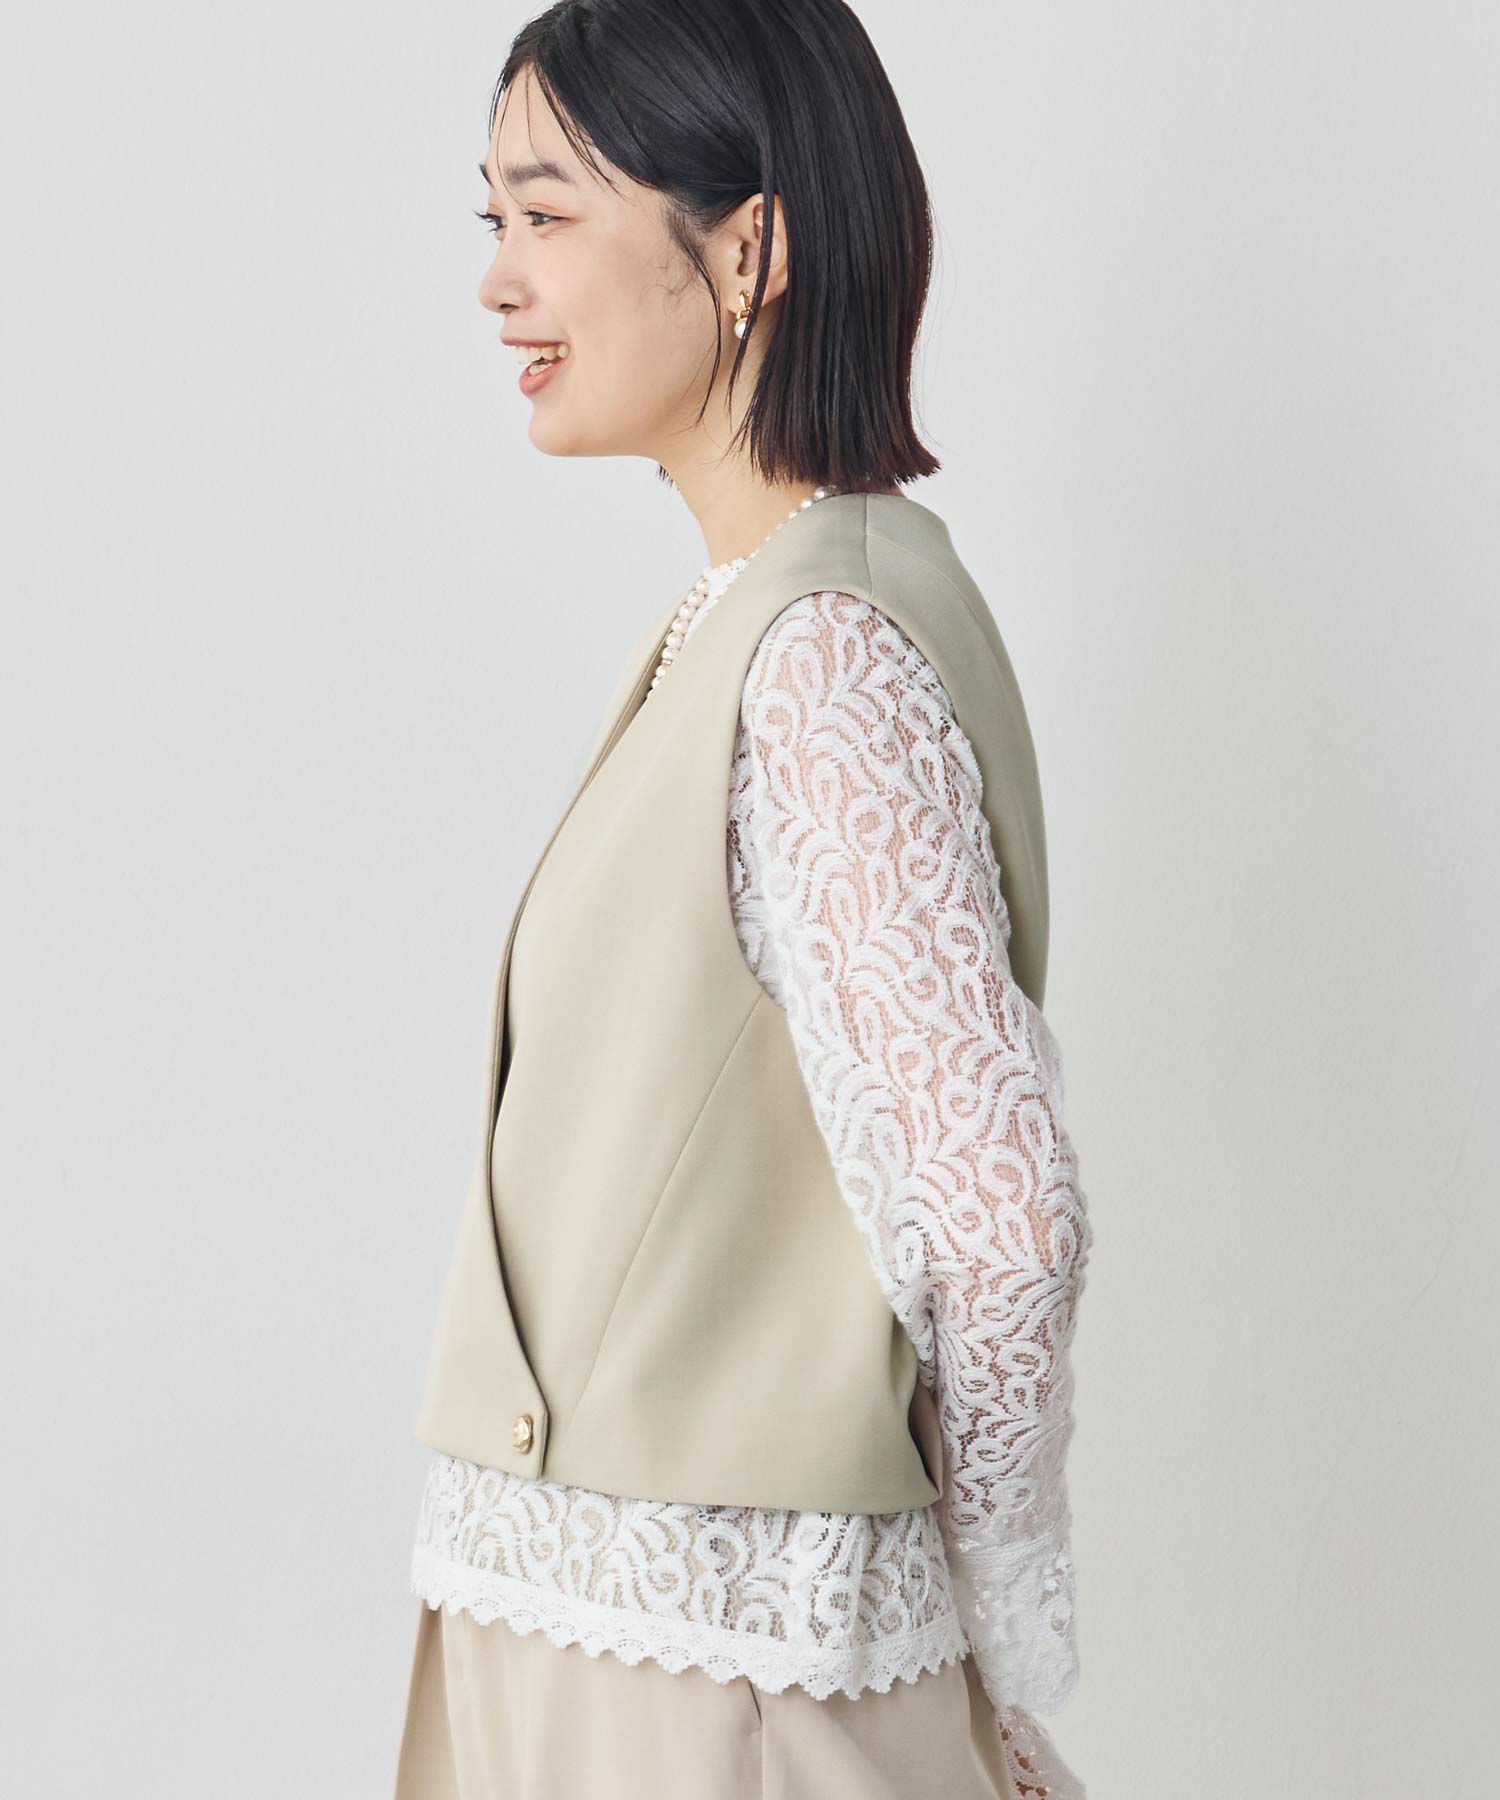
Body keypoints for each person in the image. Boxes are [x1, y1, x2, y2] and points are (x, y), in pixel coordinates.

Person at [393, 3, 1094, 1796]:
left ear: (749, 250)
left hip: (708, 1696)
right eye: (493, 218)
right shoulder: (753, 615)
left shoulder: (823, 654)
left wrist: (985, 1624)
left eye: (546, 215)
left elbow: (1004, 1223)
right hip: (604, 1650)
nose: (498, 280)